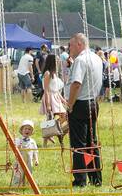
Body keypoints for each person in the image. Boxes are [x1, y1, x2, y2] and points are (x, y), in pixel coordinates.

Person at [67, 33, 104, 186]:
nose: (69, 49)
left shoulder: (80, 60)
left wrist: (70, 104)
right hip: (93, 103)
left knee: (78, 144)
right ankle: (96, 178)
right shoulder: (97, 58)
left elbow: (76, 83)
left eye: (71, 45)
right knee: (91, 142)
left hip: (81, 104)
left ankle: (80, 180)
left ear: (79, 44)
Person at [40, 53, 68, 148]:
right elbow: (47, 90)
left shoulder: (54, 73)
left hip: (55, 96)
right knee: (49, 119)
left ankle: (52, 132)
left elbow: (56, 90)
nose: (58, 61)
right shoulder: (47, 73)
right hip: (50, 97)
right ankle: (46, 139)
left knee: (63, 115)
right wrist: (48, 104)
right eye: (56, 60)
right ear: (52, 61)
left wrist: (63, 100)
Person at [13, 119, 39, 188]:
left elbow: (35, 151)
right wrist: (18, 147)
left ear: (31, 132)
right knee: (19, 172)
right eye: (25, 129)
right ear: (21, 130)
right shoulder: (18, 140)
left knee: (29, 172)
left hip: (29, 160)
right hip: (20, 160)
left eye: (29, 129)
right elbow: (15, 149)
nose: (27, 130)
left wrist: (36, 159)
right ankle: (17, 185)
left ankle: (27, 185)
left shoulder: (32, 141)